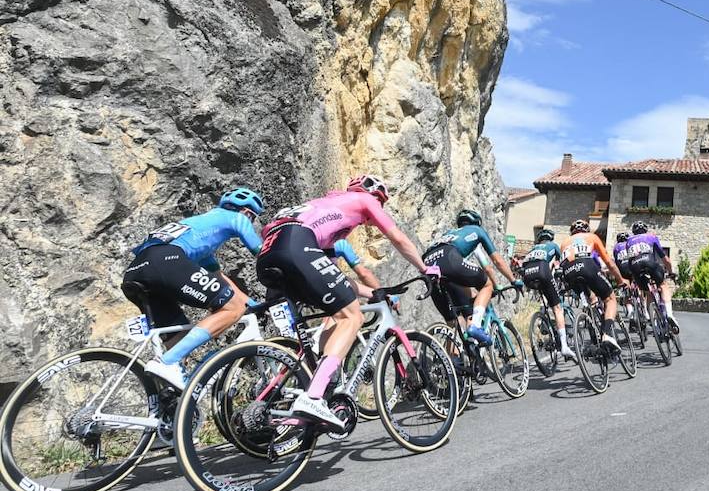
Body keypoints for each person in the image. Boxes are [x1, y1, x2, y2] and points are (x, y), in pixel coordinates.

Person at [257, 174, 436, 427]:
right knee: (352, 317)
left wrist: (372, 293)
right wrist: (424, 268)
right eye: (380, 203)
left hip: (269, 254)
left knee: (336, 315)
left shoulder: (324, 207)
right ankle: (313, 398)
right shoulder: (364, 200)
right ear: (374, 196)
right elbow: (397, 237)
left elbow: (333, 275)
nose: (376, 212)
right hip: (296, 244)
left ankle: (310, 390)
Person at [120, 187, 264, 389]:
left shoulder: (198, 231)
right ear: (248, 213)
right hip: (167, 260)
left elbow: (217, 277)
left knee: (180, 344)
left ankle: (172, 405)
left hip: (136, 271)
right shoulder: (236, 218)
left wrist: (252, 303)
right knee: (233, 309)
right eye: (253, 219)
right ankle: (166, 362)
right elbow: (261, 251)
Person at [422, 208, 520, 346]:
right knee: (486, 287)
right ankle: (475, 326)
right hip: (450, 260)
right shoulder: (476, 230)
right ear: (476, 223)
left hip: (427, 266)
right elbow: (493, 264)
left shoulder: (448, 234)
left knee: (453, 324)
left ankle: (454, 362)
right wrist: (513, 280)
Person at [558, 219, 631, 352]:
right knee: (610, 299)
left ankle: (593, 328)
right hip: (586, 267)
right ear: (586, 229)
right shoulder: (592, 237)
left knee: (592, 299)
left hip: (569, 273)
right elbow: (609, 262)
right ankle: (607, 335)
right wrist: (620, 280)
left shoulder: (564, 243)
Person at [520, 228, 576, 361]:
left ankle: (543, 319)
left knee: (545, 300)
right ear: (550, 238)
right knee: (557, 308)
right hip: (543, 271)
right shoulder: (552, 245)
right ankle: (564, 345)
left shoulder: (533, 249)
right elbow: (563, 262)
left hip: (528, 275)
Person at [615, 221, 678, 333]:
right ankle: (669, 314)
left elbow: (628, 260)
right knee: (663, 285)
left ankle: (654, 323)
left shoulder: (628, 241)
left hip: (634, 267)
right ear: (645, 230)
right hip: (650, 263)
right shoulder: (651, 237)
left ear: (634, 232)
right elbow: (665, 259)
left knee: (648, 293)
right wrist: (671, 272)